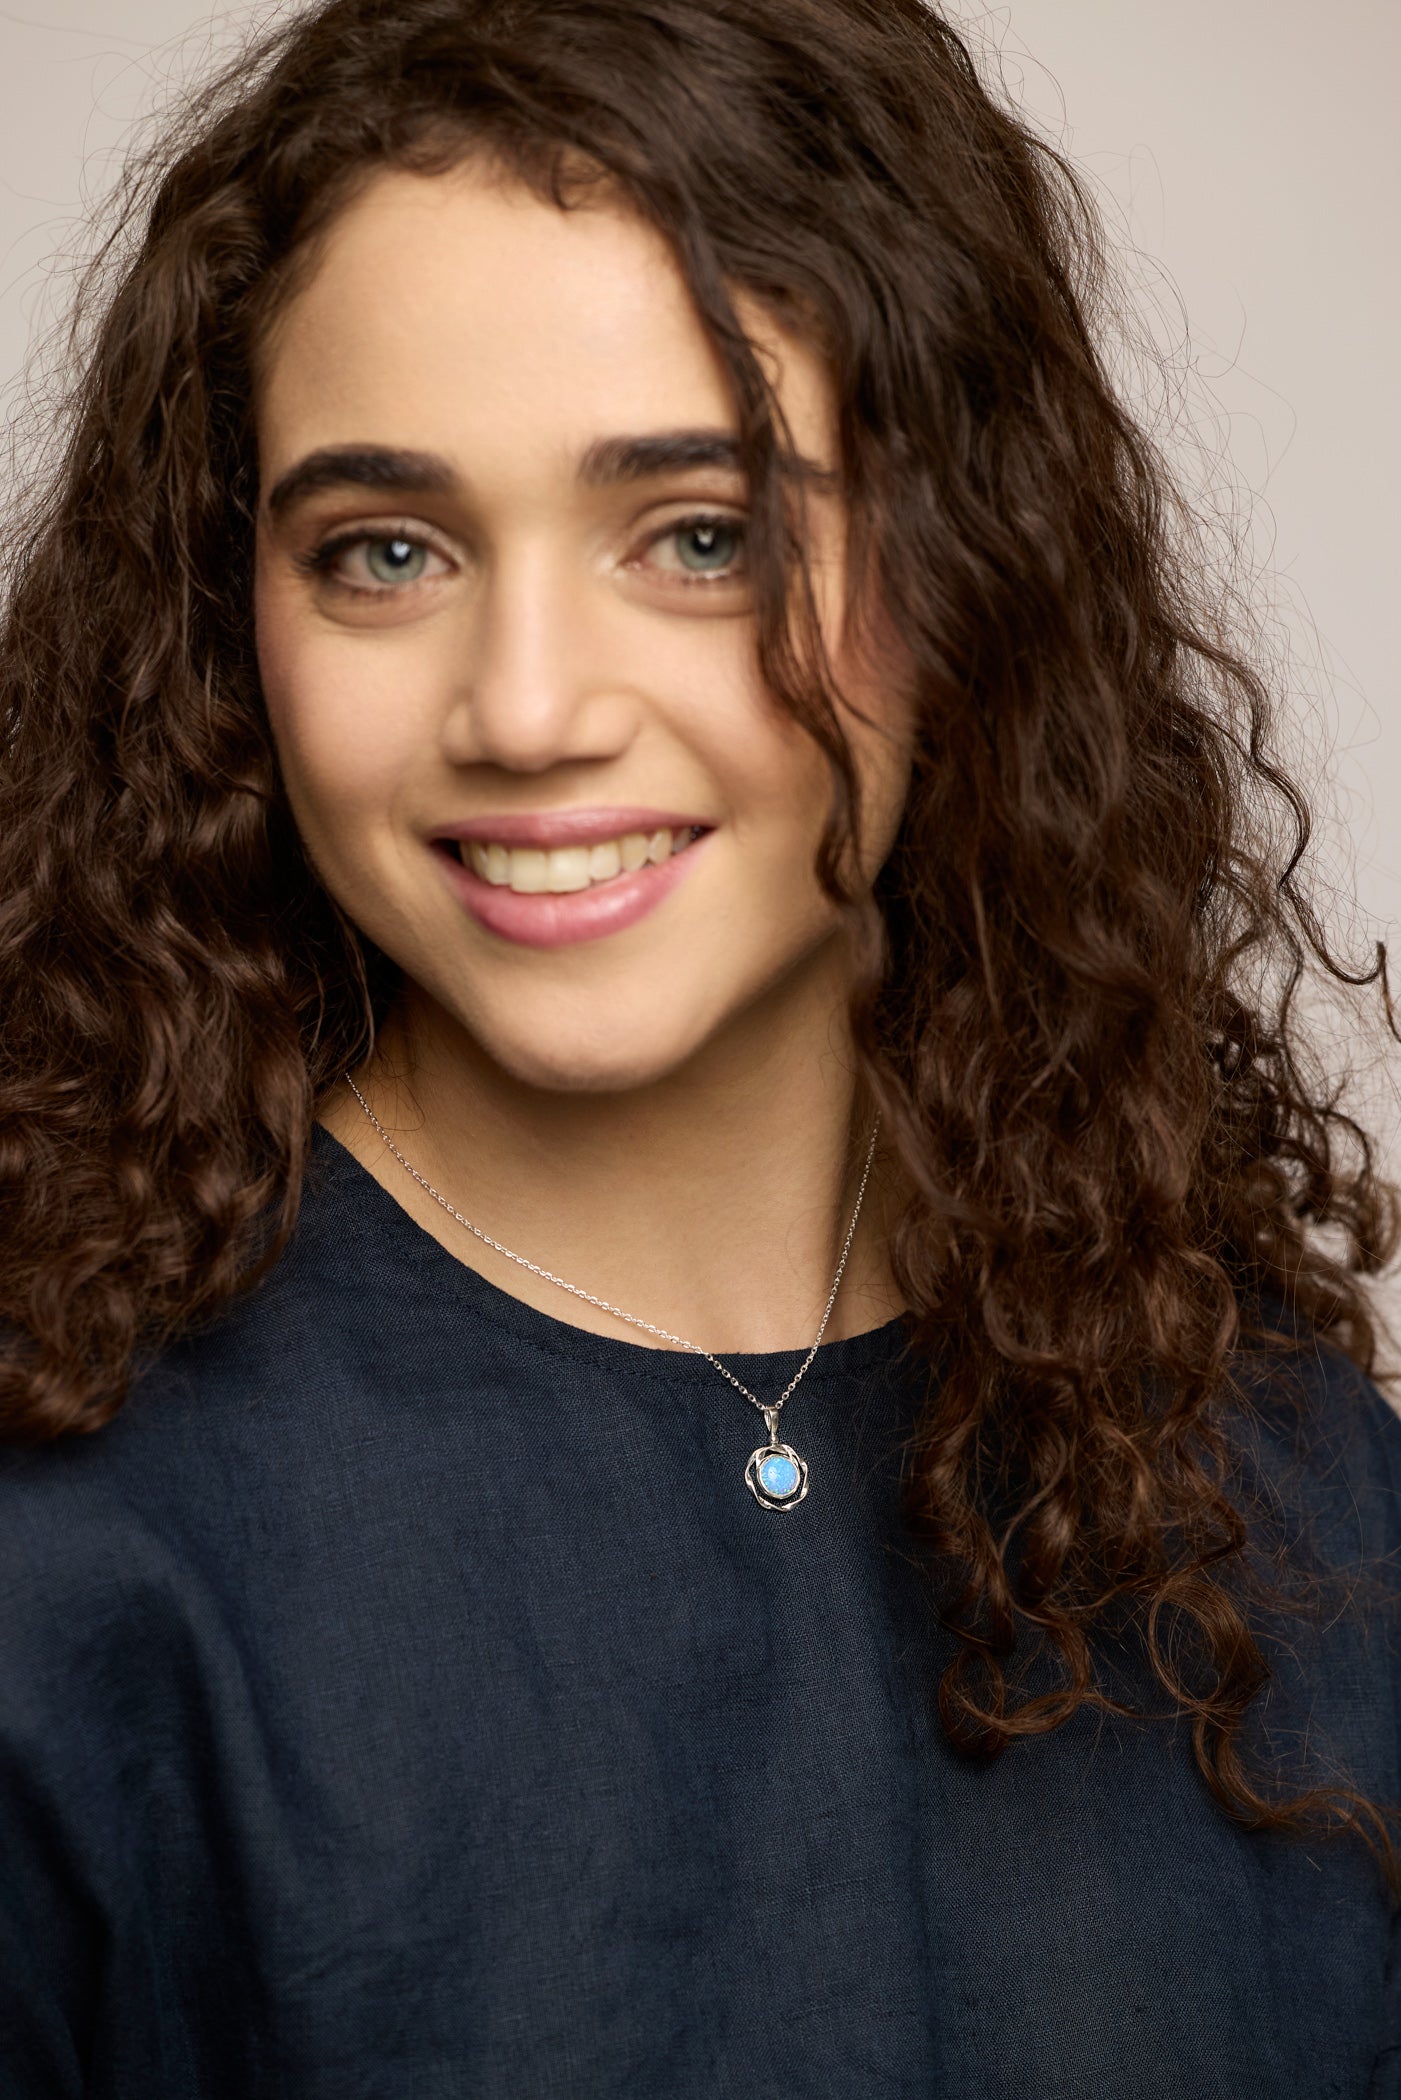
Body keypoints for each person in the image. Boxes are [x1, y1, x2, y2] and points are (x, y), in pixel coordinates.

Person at [0, 0, 1397, 2091]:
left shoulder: (1291, 1485)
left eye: (700, 535)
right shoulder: (69, 1563)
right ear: (231, 616)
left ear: (965, 565)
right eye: (385, 552)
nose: (527, 709)